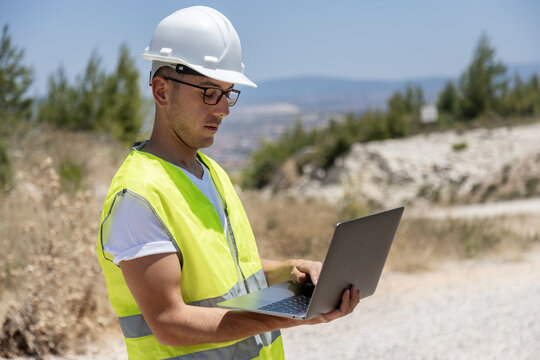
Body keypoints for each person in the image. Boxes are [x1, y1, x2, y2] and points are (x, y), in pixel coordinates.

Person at [96, 6, 360, 359]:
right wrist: (290, 317)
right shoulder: (139, 196)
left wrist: (289, 271)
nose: (223, 110)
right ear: (161, 92)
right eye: (208, 93)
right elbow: (169, 321)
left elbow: (230, 272)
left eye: (228, 93)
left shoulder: (210, 171)